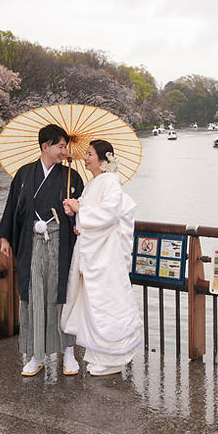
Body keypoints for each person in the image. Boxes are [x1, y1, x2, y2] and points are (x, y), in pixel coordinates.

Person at [0, 124, 84, 376]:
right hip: (31, 242)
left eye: (65, 146)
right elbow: (12, 206)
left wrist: (73, 212)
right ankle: (36, 354)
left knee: (62, 295)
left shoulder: (71, 177)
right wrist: (5, 237)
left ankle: (68, 352)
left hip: (61, 244)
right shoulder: (24, 175)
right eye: (60, 146)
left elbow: (83, 213)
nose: (64, 151)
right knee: (33, 295)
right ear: (45, 146)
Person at [61, 139, 142, 376]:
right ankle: (99, 353)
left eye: (89, 154)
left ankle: (114, 356)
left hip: (106, 255)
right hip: (93, 252)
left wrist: (80, 211)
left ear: (103, 160)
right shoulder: (94, 183)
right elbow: (89, 214)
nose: (85, 158)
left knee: (107, 301)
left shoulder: (110, 182)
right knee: (94, 303)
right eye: (85, 154)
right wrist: (75, 211)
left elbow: (109, 214)